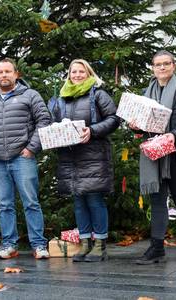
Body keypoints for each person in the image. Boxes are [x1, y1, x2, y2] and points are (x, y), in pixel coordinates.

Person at [0, 58, 51, 259]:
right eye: (0, 72)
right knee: (4, 204)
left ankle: (39, 246)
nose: (4, 75)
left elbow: (44, 120)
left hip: (22, 158)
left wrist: (32, 148)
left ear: (16, 74)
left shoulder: (31, 95)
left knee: (31, 202)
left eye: (8, 71)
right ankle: (9, 245)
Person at [129, 50, 176, 264]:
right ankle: (157, 248)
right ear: (153, 68)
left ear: (174, 66)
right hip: (155, 153)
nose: (162, 67)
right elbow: (144, 123)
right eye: (158, 64)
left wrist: (174, 134)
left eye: (166, 63)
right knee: (157, 200)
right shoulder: (146, 92)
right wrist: (135, 126)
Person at [49, 59, 119, 262]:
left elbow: (114, 118)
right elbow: (52, 122)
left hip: (93, 155)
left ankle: (100, 245)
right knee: (78, 200)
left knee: (94, 200)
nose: (77, 75)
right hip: (70, 156)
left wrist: (93, 130)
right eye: (73, 72)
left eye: (81, 72)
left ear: (89, 74)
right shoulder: (61, 98)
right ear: (69, 75)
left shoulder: (98, 94)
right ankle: (85, 243)